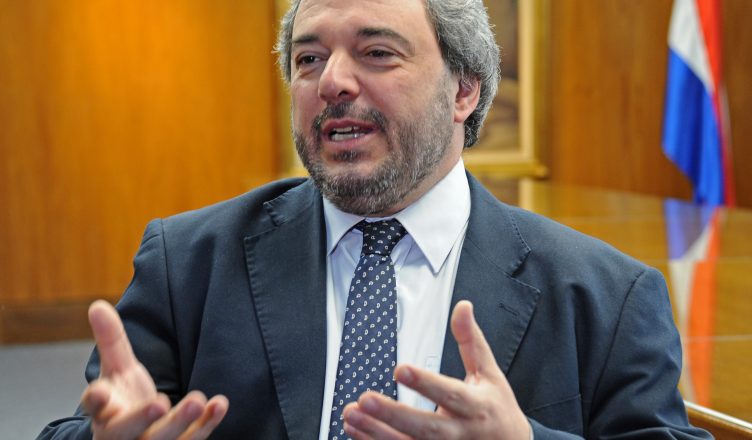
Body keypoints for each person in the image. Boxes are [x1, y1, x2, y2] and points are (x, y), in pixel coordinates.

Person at [39, 0, 712, 438]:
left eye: (377, 52)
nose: (331, 81)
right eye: (308, 58)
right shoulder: (187, 262)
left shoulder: (608, 297)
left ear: (464, 89)